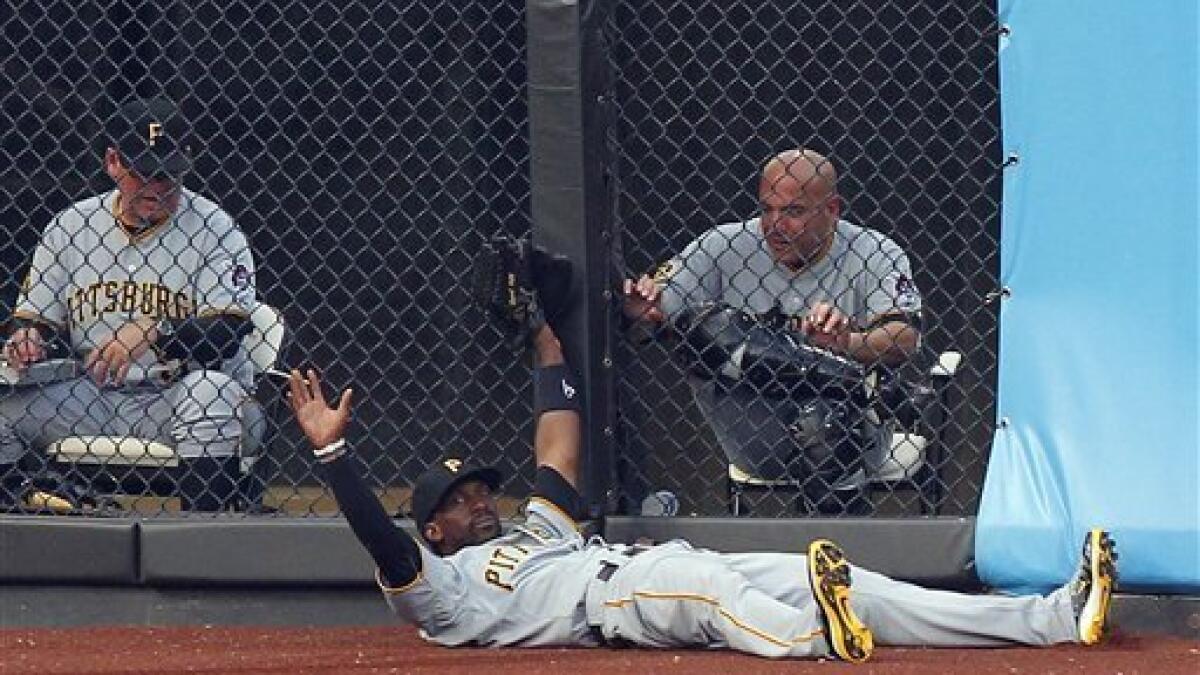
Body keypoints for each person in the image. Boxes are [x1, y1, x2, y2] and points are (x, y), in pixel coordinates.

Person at [285, 243, 1116, 662]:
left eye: (478, 488)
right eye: (463, 498)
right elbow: (380, 541)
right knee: (715, 590)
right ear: (435, 528)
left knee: (860, 583)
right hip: (617, 601)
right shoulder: (443, 593)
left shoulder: (531, 531)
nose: (481, 499)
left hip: (646, 563)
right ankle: (814, 642)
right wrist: (335, 457)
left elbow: (557, 439)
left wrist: (543, 337)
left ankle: (1047, 616)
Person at [623, 148, 924, 514]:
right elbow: (655, 318)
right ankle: (853, 383)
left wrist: (847, 342)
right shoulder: (722, 245)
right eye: (767, 209)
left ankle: (830, 554)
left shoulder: (874, 250)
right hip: (755, 425)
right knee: (706, 326)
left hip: (851, 433)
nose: (774, 225)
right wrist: (641, 311)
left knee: (825, 416)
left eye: (793, 212)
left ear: (832, 210)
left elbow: (904, 338)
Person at [0, 96, 256, 512]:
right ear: (113, 162)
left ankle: (202, 544)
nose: (158, 188)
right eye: (145, 174)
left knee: (214, 392)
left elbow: (226, 334)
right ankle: (22, 523)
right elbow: (34, 318)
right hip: (92, 397)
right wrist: (27, 338)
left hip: (175, 398)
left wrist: (155, 329)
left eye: (169, 176)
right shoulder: (72, 225)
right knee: (4, 403)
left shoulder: (215, 228)